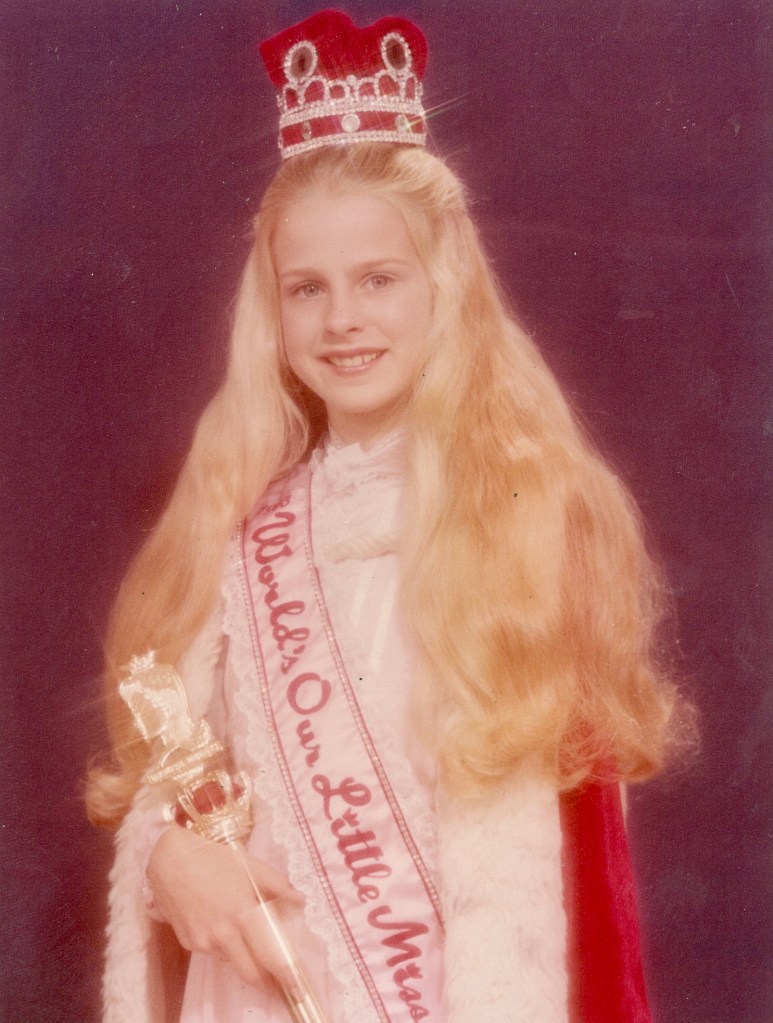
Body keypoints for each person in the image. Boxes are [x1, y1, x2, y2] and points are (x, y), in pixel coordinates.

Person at [87, 10, 686, 1023]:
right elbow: (179, 780)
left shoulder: (530, 519)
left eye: (377, 279)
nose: (342, 320)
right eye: (306, 289)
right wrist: (164, 857)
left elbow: (586, 892)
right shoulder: (234, 529)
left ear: (442, 287)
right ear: (273, 313)